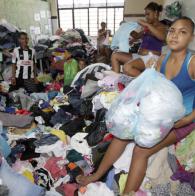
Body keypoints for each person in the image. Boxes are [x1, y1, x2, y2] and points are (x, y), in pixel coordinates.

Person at [76, 16, 195, 194]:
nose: (175, 35)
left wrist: (186, 120)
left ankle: (127, 193)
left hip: (182, 120)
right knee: (121, 133)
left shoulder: (192, 63)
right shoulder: (162, 59)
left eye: (182, 32)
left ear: (191, 37)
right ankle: (96, 174)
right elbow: (154, 87)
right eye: (172, 30)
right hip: (162, 115)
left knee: (141, 150)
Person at [111, 2, 167, 75]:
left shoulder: (161, 27)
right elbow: (136, 36)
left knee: (127, 68)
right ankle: (114, 81)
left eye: (148, 14)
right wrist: (132, 34)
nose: (146, 17)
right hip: (140, 56)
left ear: (156, 13)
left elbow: (162, 37)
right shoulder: (147, 28)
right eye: (145, 15)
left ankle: (148, 82)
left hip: (151, 58)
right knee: (115, 55)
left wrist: (146, 25)